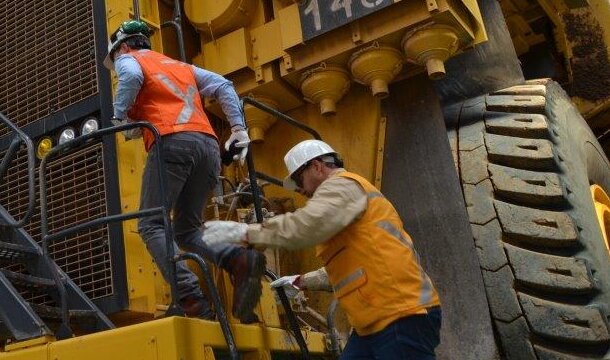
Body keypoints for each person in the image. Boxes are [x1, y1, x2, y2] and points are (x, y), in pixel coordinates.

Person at [202, 139, 442, 359]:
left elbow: (307, 225)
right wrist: (300, 281)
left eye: (297, 181)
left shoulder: (342, 185)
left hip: (401, 315)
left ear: (316, 166)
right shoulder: (344, 198)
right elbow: (354, 266)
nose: (299, 190)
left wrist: (246, 233)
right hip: (374, 323)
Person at [104, 20, 265, 323]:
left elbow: (131, 75)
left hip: (171, 144)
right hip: (208, 148)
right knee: (188, 229)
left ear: (123, 47)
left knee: (151, 224)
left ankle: (190, 298)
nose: (117, 65)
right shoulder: (180, 66)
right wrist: (239, 129)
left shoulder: (129, 59)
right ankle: (237, 259)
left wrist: (119, 116)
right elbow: (225, 86)